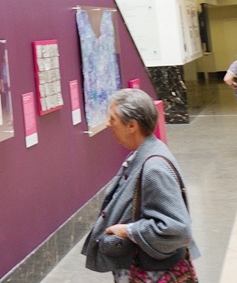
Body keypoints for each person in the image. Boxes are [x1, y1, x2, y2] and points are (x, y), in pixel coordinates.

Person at [83, 89, 199, 282]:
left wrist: (128, 230)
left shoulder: (154, 168)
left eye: (113, 119)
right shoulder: (145, 152)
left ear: (131, 126)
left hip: (153, 272)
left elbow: (178, 228)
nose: (108, 124)